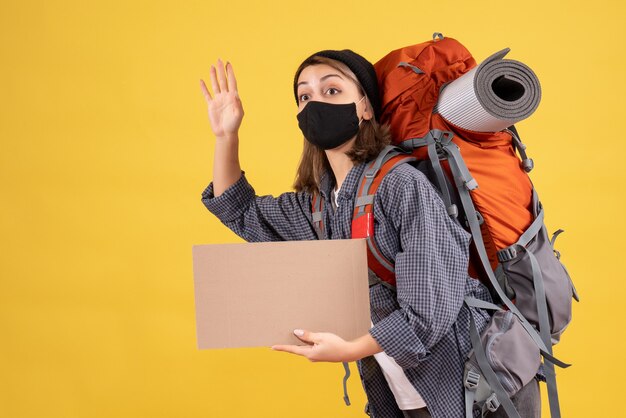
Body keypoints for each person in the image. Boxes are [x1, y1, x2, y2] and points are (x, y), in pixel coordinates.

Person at [199, 50, 496, 418]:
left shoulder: (402, 185)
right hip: (403, 398)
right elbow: (240, 211)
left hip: (469, 392)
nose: (315, 104)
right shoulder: (320, 206)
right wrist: (226, 136)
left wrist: (349, 349)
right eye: (304, 96)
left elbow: (428, 311)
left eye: (332, 90)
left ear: (365, 108)